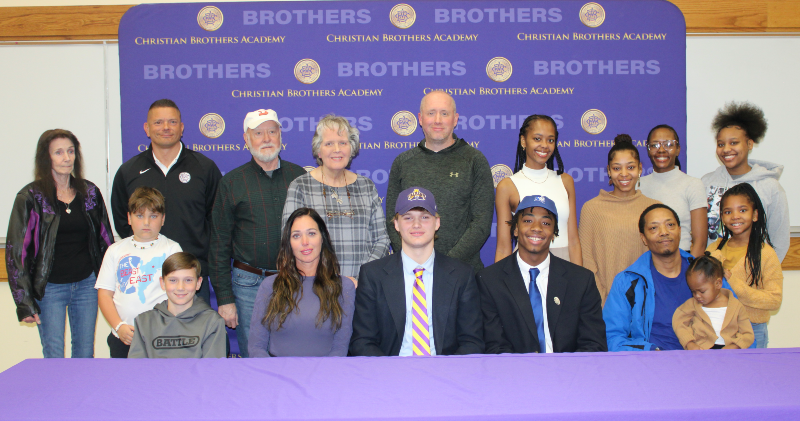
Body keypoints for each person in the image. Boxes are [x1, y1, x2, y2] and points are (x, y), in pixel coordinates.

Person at [6, 129, 113, 358]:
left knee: (84, 352)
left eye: (71, 151)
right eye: (59, 152)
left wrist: (111, 284)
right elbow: (17, 253)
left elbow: (106, 241)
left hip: (87, 285)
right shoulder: (30, 197)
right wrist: (24, 302)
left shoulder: (90, 192)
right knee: (53, 354)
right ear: (47, 158)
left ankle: (83, 395)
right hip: (50, 288)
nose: (67, 158)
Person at [209, 108, 306, 358]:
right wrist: (225, 299)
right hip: (248, 284)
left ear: (280, 136)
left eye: (272, 131)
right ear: (246, 139)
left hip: (294, 281)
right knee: (254, 357)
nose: (266, 138)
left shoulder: (300, 178)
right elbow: (219, 244)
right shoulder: (231, 183)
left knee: (295, 355)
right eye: (259, 133)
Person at [111, 99, 222, 304]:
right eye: (158, 122)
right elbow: (122, 219)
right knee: (146, 335)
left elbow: (217, 222)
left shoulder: (204, 168)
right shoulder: (128, 172)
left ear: (181, 127)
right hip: (143, 277)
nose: (165, 128)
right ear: (147, 128)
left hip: (190, 278)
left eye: (172, 122)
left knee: (194, 335)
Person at [349, 187, 484, 356]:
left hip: (445, 373)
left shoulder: (462, 275)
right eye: (408, 217)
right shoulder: (372, 275)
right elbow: (363, 341)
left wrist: (447, 373)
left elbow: (472, 341)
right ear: (396, 224)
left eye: (425, 217)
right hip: (391, 374)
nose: (417, 224)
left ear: (437, 223)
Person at [478, 195, 606, 354]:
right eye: (528, 221)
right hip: (515, 373)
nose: (537, 228)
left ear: (554, 233)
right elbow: (494, 345)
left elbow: (593, 343)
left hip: (569, 373)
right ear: (516, 229)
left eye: (546, 223)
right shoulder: (490, 281)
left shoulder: (580, 281)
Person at [604, 204, 737, 351]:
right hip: (651, 363)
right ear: (644, 238)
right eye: (654, 228)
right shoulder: (627, 281)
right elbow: (613, 338)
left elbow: (739, 327)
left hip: (706, 361)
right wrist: (653, 352)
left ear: (680, 231)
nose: (664, 232)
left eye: (670, 225)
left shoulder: (708, 272)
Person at [385, 91, 494, 271]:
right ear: (420, 118)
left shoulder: (474, 161)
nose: (437, 120)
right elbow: (392, 220)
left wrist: (444, 265)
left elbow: (481, 224)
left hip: (463, 273)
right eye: (431, 113)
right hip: (413, 271)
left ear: (455, 118)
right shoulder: (402, 163)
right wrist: (417, 262)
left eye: (444, 113)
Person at [282, 115, 389, 281]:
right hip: (316, 286)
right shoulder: (301, 187)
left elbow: (381, 239)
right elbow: (290, 238)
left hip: (361, 287)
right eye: (329, 143)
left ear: (351, 148)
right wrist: (323, 281)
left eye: (343, 143)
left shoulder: (366, 186)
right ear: (318, 150)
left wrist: (363, 277)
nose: (337, 149)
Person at [248, 208, 355, 357]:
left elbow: (340, 347)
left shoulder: (344, 287)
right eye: (296, 235)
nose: (305, 242)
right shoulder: (270, 286)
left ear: (322, 238)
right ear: (289, 242)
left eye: (311, 233)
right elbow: (256, 346)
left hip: (325, 375)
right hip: (277, 375)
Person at [95, 186, 182, 358]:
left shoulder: (172, 249)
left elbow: (180, 294)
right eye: (140, 216)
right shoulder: (115, 250)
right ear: (129, 218)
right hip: (124, 336)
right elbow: (104, 294)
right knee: (125, 383)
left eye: (153, 216)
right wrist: (119, 326)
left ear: (163, 219)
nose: (147, 223)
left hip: (161, 336)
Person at [702, 102, 789, 261]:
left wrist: (763, 274)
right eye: (721, 144)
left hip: (756, 277)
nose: (726, 149)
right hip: (715, 277)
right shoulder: (706, 183)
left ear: (749, 144)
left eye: (734, 142)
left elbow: (780, 239)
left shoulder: (770, 187)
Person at [579, 134, 660, 304]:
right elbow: (586, 261)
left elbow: (660, 259)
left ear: (640, 169)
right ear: (608, 170)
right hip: (603, 304)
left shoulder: (654, 209)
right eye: (617, 168)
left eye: (630, 167)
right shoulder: (591, 208)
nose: (624, 174)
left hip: (645, 303)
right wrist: (601, 300)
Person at [495, 115, 581, 264]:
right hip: (524, 265)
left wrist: (579, 282)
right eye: (537, 139)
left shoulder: (566, 181)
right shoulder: (507, 186)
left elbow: (573, 241)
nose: (544, 145)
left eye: (550, 140)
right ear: (523, 141)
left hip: (564, 263)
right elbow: (503, 247)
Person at [707, 183, 782, 348]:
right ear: (722, 217)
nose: (735, 216)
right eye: (728, 212)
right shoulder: (713, 250)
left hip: (753, 329)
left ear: (755, 215)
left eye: (742, 210)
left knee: (752, 374)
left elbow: (774, 300)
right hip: (717, 330)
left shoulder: (766, 253)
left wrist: (732, 282)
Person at [128, 252, 227, 358]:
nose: (180, 287)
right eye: (173, 280)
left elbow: (212, 368)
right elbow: (137, 367)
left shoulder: (212, 322)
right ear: (162, 283)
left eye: (188, 280)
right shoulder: (144, 321)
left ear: (198, 283)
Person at [639, 124, 707, 257]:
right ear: (648, 150)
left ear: (678, 149)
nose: (661, 150)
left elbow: (700, 241)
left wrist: (690, 272)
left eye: (668, 144)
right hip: (648, 264)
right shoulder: (638, 185)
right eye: (655, 145)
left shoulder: (693, 184)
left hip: (683, 263)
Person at [672, 253, 754, 350]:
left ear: (718, 283)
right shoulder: (691, 304)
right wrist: (689, 343)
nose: (697, 296)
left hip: (730, 354)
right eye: (693, 291)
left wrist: (735, 346)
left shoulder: (736, 306)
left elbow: (748, 334)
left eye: (702, 291)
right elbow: (679, 323)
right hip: (701, 352)